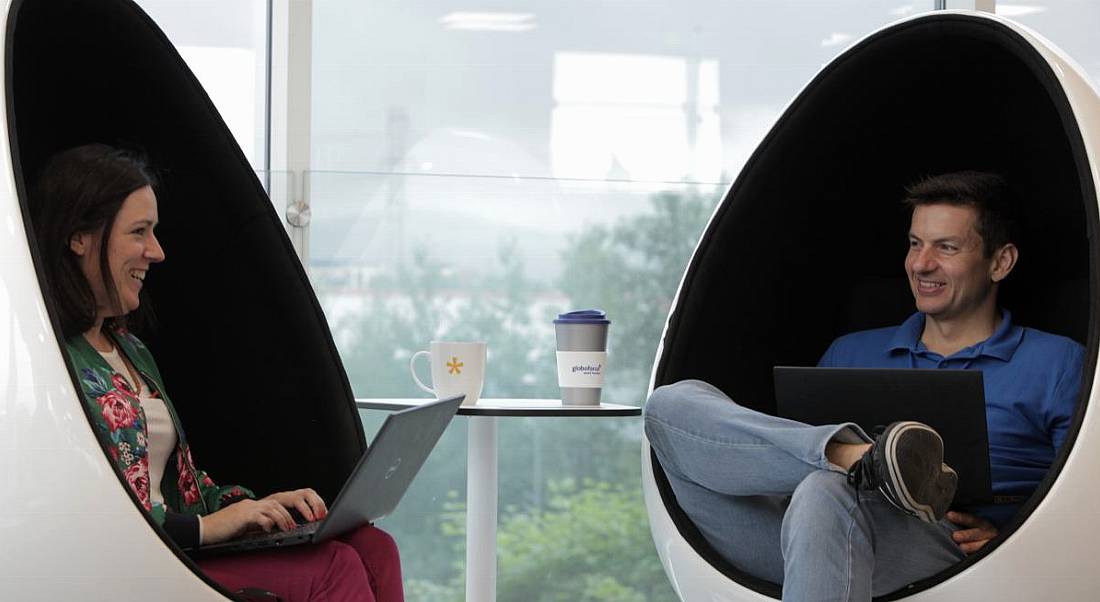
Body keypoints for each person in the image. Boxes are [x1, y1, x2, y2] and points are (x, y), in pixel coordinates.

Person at [644, 171, 1085, 601]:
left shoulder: (1058, 362)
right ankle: (861, 459)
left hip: (947, 543)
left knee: (825, 490)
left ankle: (863, 469)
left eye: (946, 248)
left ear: (1000, 262)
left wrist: (1012, 536)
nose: (922, 264)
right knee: (670, 405)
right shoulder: (850, 351)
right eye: (915, 244)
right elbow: (774, 462)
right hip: (805, 535)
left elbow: (1088, 496)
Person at [30, 143, 403, 602]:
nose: (158, 252)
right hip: (133, 568)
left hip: (184, 546)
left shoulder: (131, 352)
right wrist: (207, 528)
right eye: (140, 232)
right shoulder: (50, 366)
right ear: (78, 237)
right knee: (334, 568)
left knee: (373, 546)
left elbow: (184, 485)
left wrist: (255, 508)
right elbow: (90, 514)